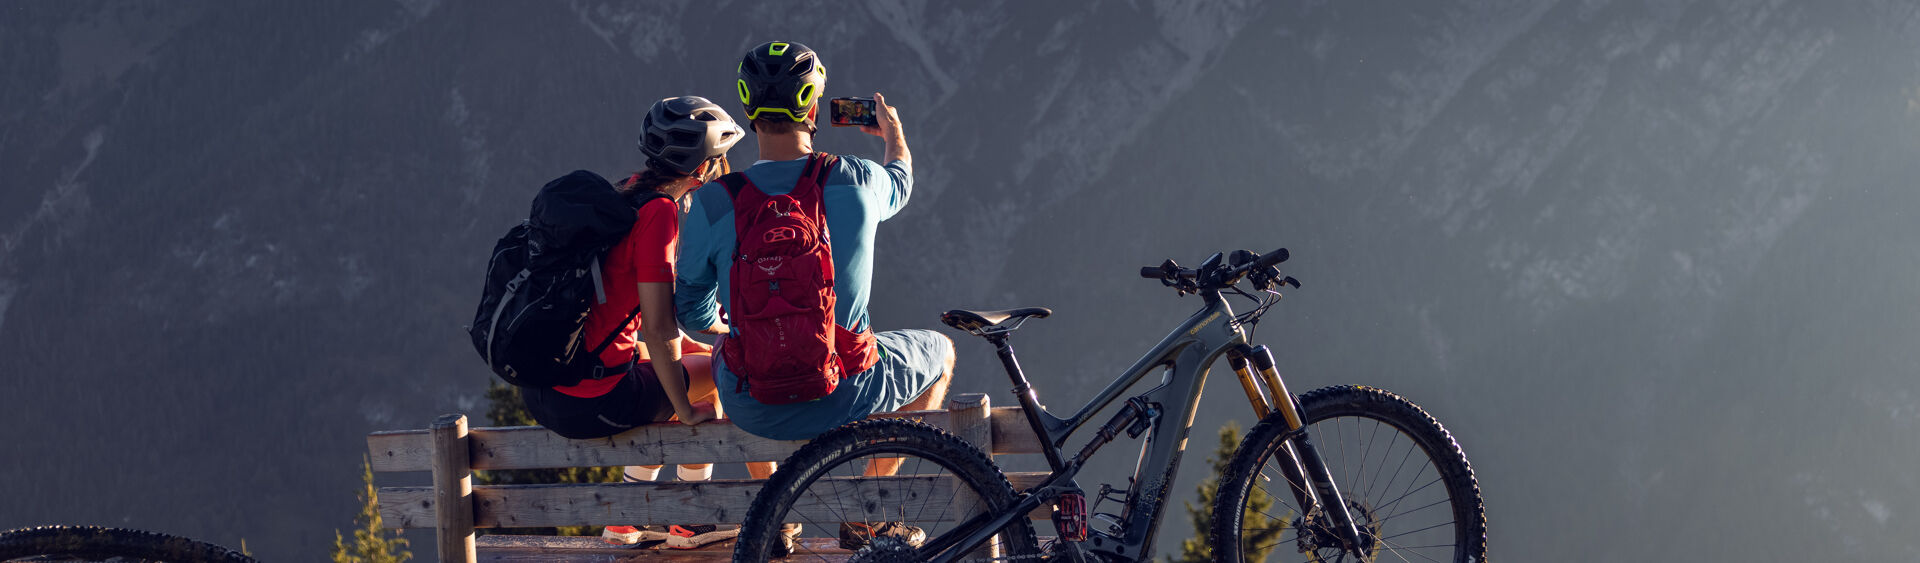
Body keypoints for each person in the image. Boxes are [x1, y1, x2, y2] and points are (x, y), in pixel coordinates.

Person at [673, 41, 948, 550]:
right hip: (845, 390)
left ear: (748, 108)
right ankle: (867, 517)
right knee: (941, 350)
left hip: (752, 402)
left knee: (730, 348)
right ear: (813, 106)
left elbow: (690, 313)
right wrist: (893, 133)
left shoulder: (712, 202)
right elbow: (902, 180)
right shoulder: (858, 179)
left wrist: (745, 327)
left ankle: (773, 521)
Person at [514, 96, 764, 546]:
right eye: (721, 162)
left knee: (691, 359)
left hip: (548, 385)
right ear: (703, 168)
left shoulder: (624, 193)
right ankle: (692, 519)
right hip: (590, 400)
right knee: (718, 371)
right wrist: (684, 408)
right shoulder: (659, 213)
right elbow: (659, 327)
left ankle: (627, 519)